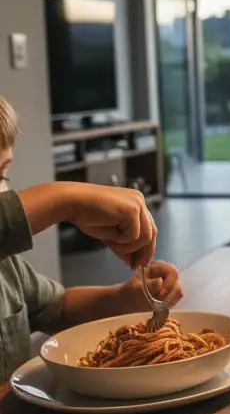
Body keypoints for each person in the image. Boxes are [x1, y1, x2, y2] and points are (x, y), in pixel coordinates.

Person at [0, 95, 183, 381]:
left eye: (2, 176)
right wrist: (68, 200)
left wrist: (124, 297)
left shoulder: (8, 268)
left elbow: (58, 309)